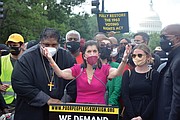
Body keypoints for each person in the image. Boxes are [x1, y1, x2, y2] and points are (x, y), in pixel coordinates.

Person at [11, 28, 77, 120]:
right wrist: (47, 99)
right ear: (40, 43)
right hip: (31, 112)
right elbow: (19, 84)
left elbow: (74, 83)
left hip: (59, 112)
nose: (50, 48)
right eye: (46, 45)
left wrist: (63, 102)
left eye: (54, 45)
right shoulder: (26, 58)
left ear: (59, 45)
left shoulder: (68, 57)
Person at [42, 40, 131, 104]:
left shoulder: (105, 69)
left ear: (98, 54)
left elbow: (118, 73)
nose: (92, 54)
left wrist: (124, 59)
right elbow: (61, 73)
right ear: (84, 55)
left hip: (100, 111)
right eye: (89, 51)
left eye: (94, 51)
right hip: (81, 111)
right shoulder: (78, 69)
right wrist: (50, 59)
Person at [122, 44, 159, 120]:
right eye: (134, 56)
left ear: (148, 56)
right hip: (130, 113)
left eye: (140, 55)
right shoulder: (128, 73)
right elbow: (125, 95)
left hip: (148, 113)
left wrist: (143, 117)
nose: (136, 58)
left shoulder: (154, 74)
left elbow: (155, 97)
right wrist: (132, 116)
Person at [154, 24, 180, 120]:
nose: (162, 40)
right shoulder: (173, 58)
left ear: (177, 38)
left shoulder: (178, 61)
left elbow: (177, 97)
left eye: (164, 37)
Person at [0, 33, 25, 112]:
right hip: (5, 102)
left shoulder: (28, 61)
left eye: (14, 45)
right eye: (10, 45)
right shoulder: (2, 60)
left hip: (23, 102)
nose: (12, 47)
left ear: (21, 45)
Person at [98, 38, 122, 107]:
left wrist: (111, 103)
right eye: (102, 45)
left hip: (111, 105)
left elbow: (117, 88)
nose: (105, 47)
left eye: (108, 46)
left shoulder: (116, 66)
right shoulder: (92, 66)